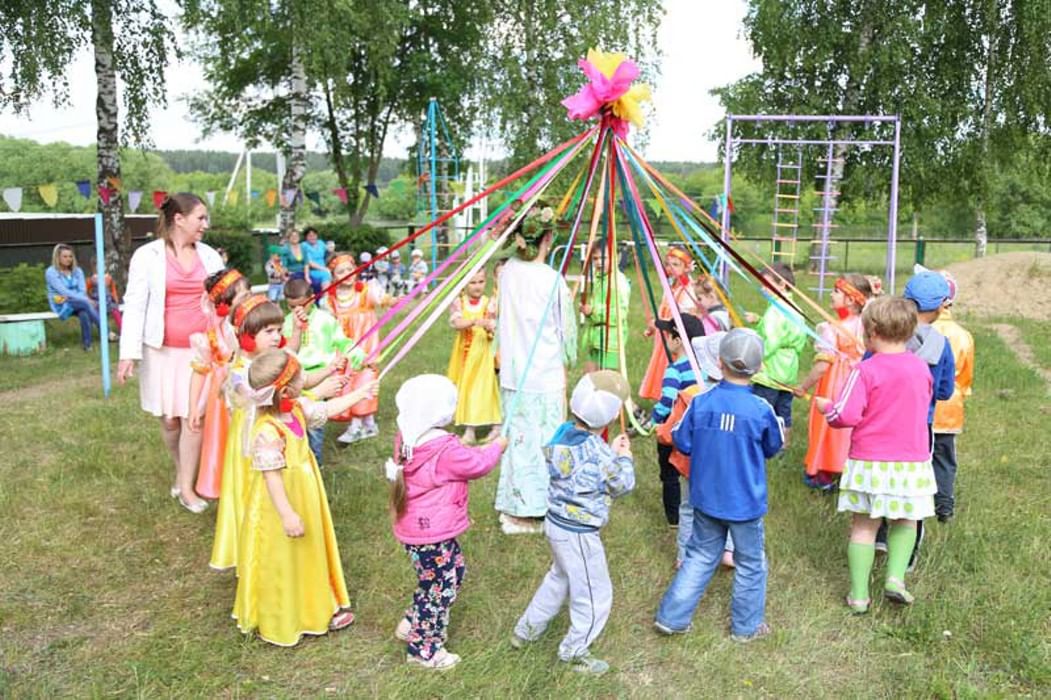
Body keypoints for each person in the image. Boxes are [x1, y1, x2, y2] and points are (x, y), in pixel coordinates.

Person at [233, 349, 378, 646]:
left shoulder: (296, 407)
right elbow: (271, 476)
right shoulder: (267, 429)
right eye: (300, 375)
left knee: (309, 548)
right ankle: (282, 617)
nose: (305, 378)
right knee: (282, 556)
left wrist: (361, 392)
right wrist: (286, 514)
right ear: (285, 389)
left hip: (305, 494)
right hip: (280, 503)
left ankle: (317, 606)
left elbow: (328, 409)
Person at [655, 329, 783, 642]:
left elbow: (681, 440)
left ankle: (671, 618)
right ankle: (746, 628)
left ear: (719, 362)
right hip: (745, 504)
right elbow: (773, 447)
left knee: (699, 555)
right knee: (750, 562)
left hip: (705, 498)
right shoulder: (762, 411)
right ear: (759, 366)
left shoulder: (700, 403)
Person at [814, 296, 935, 611]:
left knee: (864, 526)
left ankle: (859, 596)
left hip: (870, 462)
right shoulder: (921, 368)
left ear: (872, 333)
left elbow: (846, 416)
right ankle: (895, 578)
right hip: (911, 463)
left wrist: (828, 408)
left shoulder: (865, 370)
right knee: (906, 521)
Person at [511, 371, 635, 675]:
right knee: (594, 593)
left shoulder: (562, 433)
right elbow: (622, 484)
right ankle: (575, 650)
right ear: (607, 418)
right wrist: (624, 457)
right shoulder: (598, 454)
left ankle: (525, 631)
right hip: (579, 534)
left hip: (556, 524)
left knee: (559, 579)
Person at [388, 374, 508, 670]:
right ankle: (423, 651)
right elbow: (476, 464)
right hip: (432, 533)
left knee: (448, 574)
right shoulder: (444, 448)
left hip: (417, 530)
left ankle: (412, 622)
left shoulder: (407, 434)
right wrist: (497, 447)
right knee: (439, 587)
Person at [117, 193, 226, 513]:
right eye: (200, 218)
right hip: (161, 351)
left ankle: (188, 487)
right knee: (170, 422)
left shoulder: (210, 256)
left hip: (200, 352)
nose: (206, 225)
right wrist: (128, 354)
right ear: (179, 219)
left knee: (193, 419)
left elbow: (225, 298)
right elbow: (135, 305)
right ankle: (182, 470)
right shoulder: (146, 256)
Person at [493, 201, 577, 535]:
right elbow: (565, 336)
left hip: (513, 372)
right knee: (544, 442)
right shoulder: (552, 281)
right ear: (548, 239)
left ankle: (516, 506)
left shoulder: (508, 272)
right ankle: (529, 513)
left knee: (518, 439)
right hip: (544, 374)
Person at [655, 332, 733, 568]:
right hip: (728, 466)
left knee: (689, 509)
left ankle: (684, 556)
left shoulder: (691, 396)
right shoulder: (739, 398)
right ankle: (729, 550)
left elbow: (670, 433)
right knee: (728, 505)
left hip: (695, 466)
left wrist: (660, 429)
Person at [796, 274, 872, 490]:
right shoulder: (866, 326)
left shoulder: (832, 329)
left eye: (836, 291)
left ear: (850, 299)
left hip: (835, 384)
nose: (831, 294)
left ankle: (825, 473)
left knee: (830, 425)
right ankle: (851, 467)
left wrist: (803, 387)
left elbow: (822, 366)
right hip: (859, 381)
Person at [282, 277, 363, 463]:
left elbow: (343, 342)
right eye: (291, 307)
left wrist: (359, 357)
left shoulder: (326, 320)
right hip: (295, 379)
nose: (297, 311)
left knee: (314, 424)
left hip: (321, 376)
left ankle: (315, 463)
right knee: (295, 419)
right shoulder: (286, 323)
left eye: (302, 305)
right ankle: (297, 459)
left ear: (312, 298)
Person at [187, 268, 251, 500]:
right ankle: (227, 484)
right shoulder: (212, 336)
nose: (249, 299)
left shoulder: (251, 326)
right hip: (222, 399)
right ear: (224, 304)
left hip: (247, 391)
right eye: (242, 297)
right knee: (224, 439)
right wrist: (194, 407)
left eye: (249, 294)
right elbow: (200, 371)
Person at [320, 254, 389, 445]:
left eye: (350, 270)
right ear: (333, 276)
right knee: (348, 382)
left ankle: (357, 425)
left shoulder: (365, 292)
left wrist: (392, 300)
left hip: (365, 348)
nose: (347, 274)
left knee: (364, 380)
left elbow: (381, 299)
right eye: (341, 272)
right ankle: (368, 424)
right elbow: (328, 321)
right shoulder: (332, 299)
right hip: (345, 347)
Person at [650, 313, 704, 528]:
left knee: (669, 473)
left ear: (678, 340)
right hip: (695, 429)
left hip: (673, 430)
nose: (665, 338)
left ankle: (674, 519)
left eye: (668, 334)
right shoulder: (703, 368)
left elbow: (667, 400)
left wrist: (655, 420)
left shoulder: (675, 370)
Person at [746, 263, 807, 447]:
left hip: (770, 371)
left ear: (782, 284)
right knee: (783, 412)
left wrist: (755, 360)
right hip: (788, 370)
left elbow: (771, 340)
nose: (763, 287)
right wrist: (759, 320)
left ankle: (757, 445)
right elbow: (797, 338)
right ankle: (783, 446)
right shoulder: (795, 307)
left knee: (762, 409)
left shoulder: (776, 310)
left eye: (767, 283)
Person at [931, 271, 974, 523]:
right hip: (950, 409)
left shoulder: (921, 330)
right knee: (945, 459)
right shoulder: (963, 334)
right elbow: (966, 376)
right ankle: (944, 505)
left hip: (923, 406)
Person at [446, 268, 500, 444]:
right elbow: (457, 323)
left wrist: (489, 325)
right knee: (466, 386)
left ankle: (491, 426)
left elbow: (494, 324)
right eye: (473, 282)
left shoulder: (489, 302)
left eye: (481, 282)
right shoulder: (459, 303)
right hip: (465, 353)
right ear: (465, 284)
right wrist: (473, 321)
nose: (477, 286)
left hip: (483, 352)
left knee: (483, 387)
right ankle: (472, 428)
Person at [639, 246, 696, 400]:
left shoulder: (688, 291)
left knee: (672, 373)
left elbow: (686, 320)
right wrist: (653, 327)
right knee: (661, 370)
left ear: (687, 267)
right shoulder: (671, 287)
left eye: (676, 265)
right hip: (663, 341)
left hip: (676, 342)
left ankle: (671, 404)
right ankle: (662, 403)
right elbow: (663, 310)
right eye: (668, 264)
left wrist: (659, 323)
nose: (670, 268)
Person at [579, 242, 631, 372]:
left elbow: (620, 313)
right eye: (595, 259)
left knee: (607, 381)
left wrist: (594, 311)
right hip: (596, 339)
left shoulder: (618, 282)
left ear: (615, 258)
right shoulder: (599, 279)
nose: (599, 262)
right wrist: (588, 311)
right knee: (590, 378)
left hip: (610, 341)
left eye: (603, 258)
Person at [45, 244, 101, 350]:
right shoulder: (51, 272)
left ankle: (87, 345)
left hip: (77, 302)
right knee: (85, 304)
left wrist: (80, 298)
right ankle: (105, 331)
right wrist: (85, 299)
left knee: (84, 312)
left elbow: (82, 290)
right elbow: (63, 291)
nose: (68, 259)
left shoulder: (77, 271)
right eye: (65, 256)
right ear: (58, 257)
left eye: (70, 256)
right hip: (61, 303)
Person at [85, 257, 123, 338]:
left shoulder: (108, 278)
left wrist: (115, 298)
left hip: (109, 301)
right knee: (97, 315)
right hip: (97, 302)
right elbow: (85, 290)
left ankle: (123, 331)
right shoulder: (92, 279)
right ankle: (106, 333)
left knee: (116, 311)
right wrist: (89, 299)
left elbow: (113, 289)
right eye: (97, 266)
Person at [301, 227, 332, 295]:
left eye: (314, 235)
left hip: (323, 267)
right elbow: (309, 262)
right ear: (306, 237)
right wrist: (324, 269)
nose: (312, 237)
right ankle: (325, 296)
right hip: (312, 270)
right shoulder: (304, 245)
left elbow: (329, 250)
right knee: (326, 274)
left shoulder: (320, 242)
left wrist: (330, 247)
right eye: (310, 236)